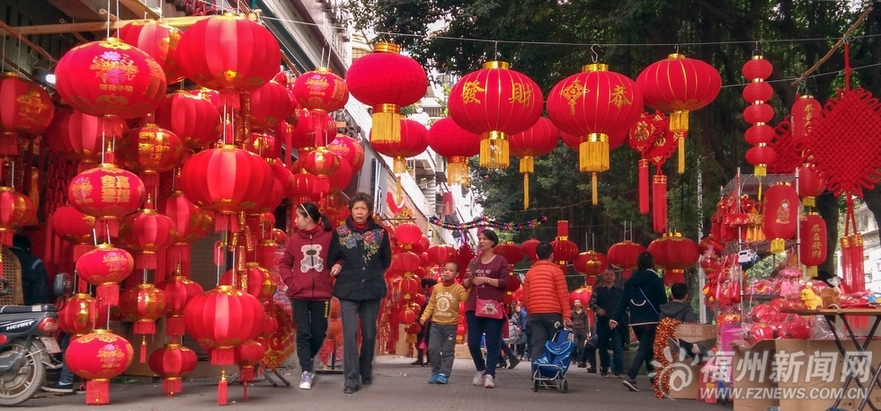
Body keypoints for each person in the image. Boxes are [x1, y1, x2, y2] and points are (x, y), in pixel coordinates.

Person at [327, 193, 392, 395]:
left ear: (369, 211)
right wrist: (338, 266)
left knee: (370, 334)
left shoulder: (381, 233)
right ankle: (351, 380)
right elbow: (332, 258)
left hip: (372, 290)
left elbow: (386, 260)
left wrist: (371, 273)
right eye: (356, 208)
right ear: (351, 210)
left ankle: (365, 368)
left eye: (363, 208)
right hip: (348, 289)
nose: (360, 212)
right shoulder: (340, 232)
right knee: (350, 334)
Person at [279, 202, 334, 390]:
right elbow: (284, 263)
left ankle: (308, 358)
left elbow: (341, 257)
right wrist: (292, 283)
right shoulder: (294, 239)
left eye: (298, 217)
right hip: (299, 295)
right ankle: (306, 371)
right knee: (303, 332)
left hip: (323, 293)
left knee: (319, 331)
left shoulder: (328, 237)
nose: (295, 221)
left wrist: (338, 267)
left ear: (308, 218)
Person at [610, 252, 667, 392]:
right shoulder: (656, 280)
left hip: (635, 322)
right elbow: (662, 302)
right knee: (644, 350)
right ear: (652, 263)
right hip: (651, 320)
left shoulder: (630, 281)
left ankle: (654, 380)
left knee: (647, 350)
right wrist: (666, 317)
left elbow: (623, 302)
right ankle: (631, 376)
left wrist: (614, 318)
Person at [462, 229, 509, 389]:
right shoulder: (474, 261)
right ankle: (480, 368)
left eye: (484, 239)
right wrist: (469, 277)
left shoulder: (500, 261)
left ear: (492, 242)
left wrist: (486, 279)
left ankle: (490, 375)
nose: (481, 241)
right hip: (473, 306)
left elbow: (504, 282)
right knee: (473, 343)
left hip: (492, 307)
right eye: (479, 238)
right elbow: (466, 284)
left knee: (492, 343)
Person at [520, 242, 573, 361]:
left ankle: (537, 375)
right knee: (554, 344)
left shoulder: (530, 273)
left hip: (535, 315)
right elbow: (563, 295)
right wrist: (566, 316)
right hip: (553, 314)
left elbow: (526, 297)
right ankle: (551, 373)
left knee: (538, 345)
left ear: (537, 256)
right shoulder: (557, 272)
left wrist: (530, 311)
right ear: (552, 256)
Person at [420, 262, 469, 385]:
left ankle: (444, 374)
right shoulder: (436, 288)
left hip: (450, 326)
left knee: (447, 351)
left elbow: (465, 298)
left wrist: (469, 285)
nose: (447, 272)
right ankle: (435, 371)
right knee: (432, 349)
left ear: (456, 274)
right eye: (445, 269)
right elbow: (431, 304)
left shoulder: (458, 288)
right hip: (436, 325)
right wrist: (424, 316)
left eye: (451, 270)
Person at [653, 282, 700, 399]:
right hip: (681, 344)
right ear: (686, 296)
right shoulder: (687, 309)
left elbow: (660, 325)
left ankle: (663, 385)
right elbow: (692, 326)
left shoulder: (663, 308)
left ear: (672, 295)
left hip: (663, 343)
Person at [590, 269, 624, 377]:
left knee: (618, 347)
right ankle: (605, 368)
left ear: (615, 277)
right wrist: (598, 309)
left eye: (611, 274)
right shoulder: (598, 290)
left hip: (616, 323)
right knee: (602, 346)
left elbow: (625, 305)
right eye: (607, 274)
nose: (609, 276)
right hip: (603, 322)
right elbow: (591, 303)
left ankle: (618, 370)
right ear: (603, 277)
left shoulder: (620, 290)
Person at [9, 233, 50, 305]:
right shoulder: (34, 263)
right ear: (28, 248)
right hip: (24, 309)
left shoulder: (3, 257)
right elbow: (40, 295)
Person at [412, 277, 438, 366]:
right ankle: (428, 359)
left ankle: (422, 359)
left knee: (423, 339)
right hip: (430, 320)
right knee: (427, 339)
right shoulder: (434, 293)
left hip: (426, 320)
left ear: (426, 286)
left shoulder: (427, 296)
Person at [571, 299, 590, 368]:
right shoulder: (572, 312)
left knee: (581, 347)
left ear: (580, 303)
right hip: (575, 330)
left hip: (583, 330)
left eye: (578, 302)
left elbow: (587, 322)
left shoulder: (584, 312)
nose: (576, 303)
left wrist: (588, 332)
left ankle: (580, 360)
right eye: (575, 302)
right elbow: (570, 320)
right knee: (575, 345)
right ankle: (574, 358)